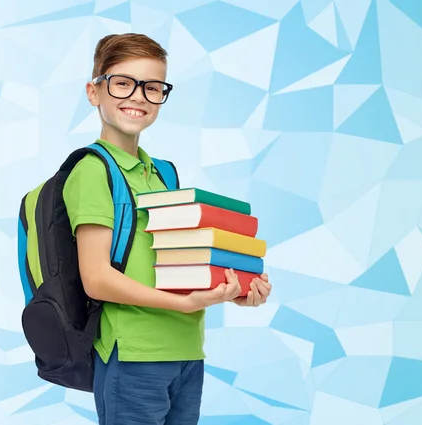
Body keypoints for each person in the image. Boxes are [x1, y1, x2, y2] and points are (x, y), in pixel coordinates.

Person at [62, 33, 272, 425]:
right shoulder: (93, 171)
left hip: (188, 350)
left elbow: (176, 264)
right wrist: (185, 304)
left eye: (152, 87)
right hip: (134, 354)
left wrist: (232, 290)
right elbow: (97, 278)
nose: (138, 96)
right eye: (123, 83)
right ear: (94, 92)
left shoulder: (163, 174)